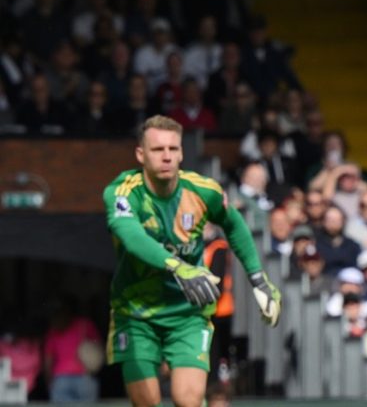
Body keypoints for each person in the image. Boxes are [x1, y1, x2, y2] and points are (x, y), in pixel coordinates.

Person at [103, 116, 282, 407]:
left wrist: (258, 279)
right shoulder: (122, 192)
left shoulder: (203, 191)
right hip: (135, 313)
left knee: (187, 401)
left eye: (173, 149)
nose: (166, 156)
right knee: (146, 402)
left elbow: (234, 225)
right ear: (140, 154)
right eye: (157, 149)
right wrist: (178, 266)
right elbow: (131, 236)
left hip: (187, 314)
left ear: (182, 153)